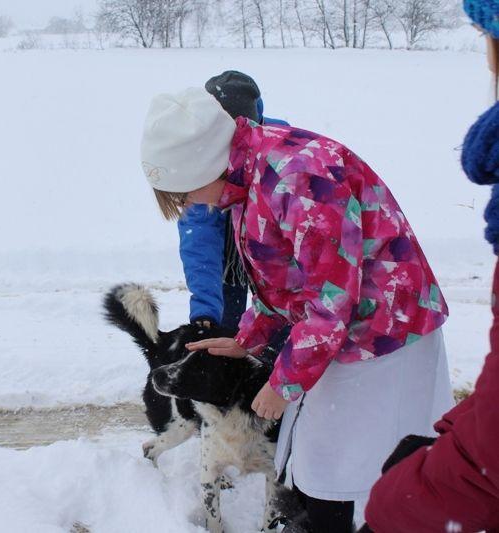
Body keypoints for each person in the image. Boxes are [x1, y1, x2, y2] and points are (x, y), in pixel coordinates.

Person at [139, 86, 453, 532]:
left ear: (203, 162)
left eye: (184, 192)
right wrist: (246, 338)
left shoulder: (297, 177)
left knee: (363, 468)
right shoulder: (247, 180)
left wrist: (282, 382)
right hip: (341, 335)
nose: (189, 205)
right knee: (313, 463)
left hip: (386, 334)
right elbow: (286, 284)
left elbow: (331, 298)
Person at [360, 1, 499, 530]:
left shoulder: (298, 178)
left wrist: (396, 500)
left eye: (485, 37)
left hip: (395, 327)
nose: (488, 63)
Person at [180, 71, 288, 335]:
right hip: (232, 254)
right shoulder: (202, 161)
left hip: (275, 248)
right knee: (227, 330)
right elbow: (200, 236)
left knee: (282, 326)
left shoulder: (282, 147)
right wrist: (205, 309)